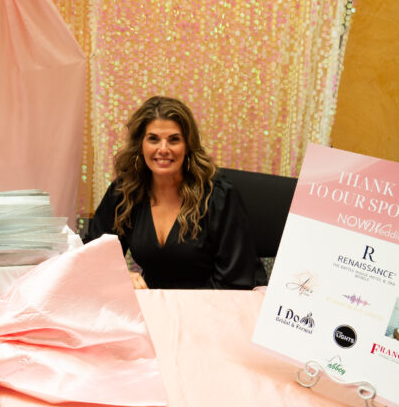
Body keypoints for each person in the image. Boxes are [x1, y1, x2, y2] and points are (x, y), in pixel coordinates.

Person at [84, 96, 265, 289]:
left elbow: (235, 281)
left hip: (216, 302)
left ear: (187, 146)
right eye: (153, 139)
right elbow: (92, 256)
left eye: (174, 140)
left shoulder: (218, 196)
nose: (163, 149)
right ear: (140, 145)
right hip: (156, 304)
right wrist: (119, 276)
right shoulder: (124, 193)